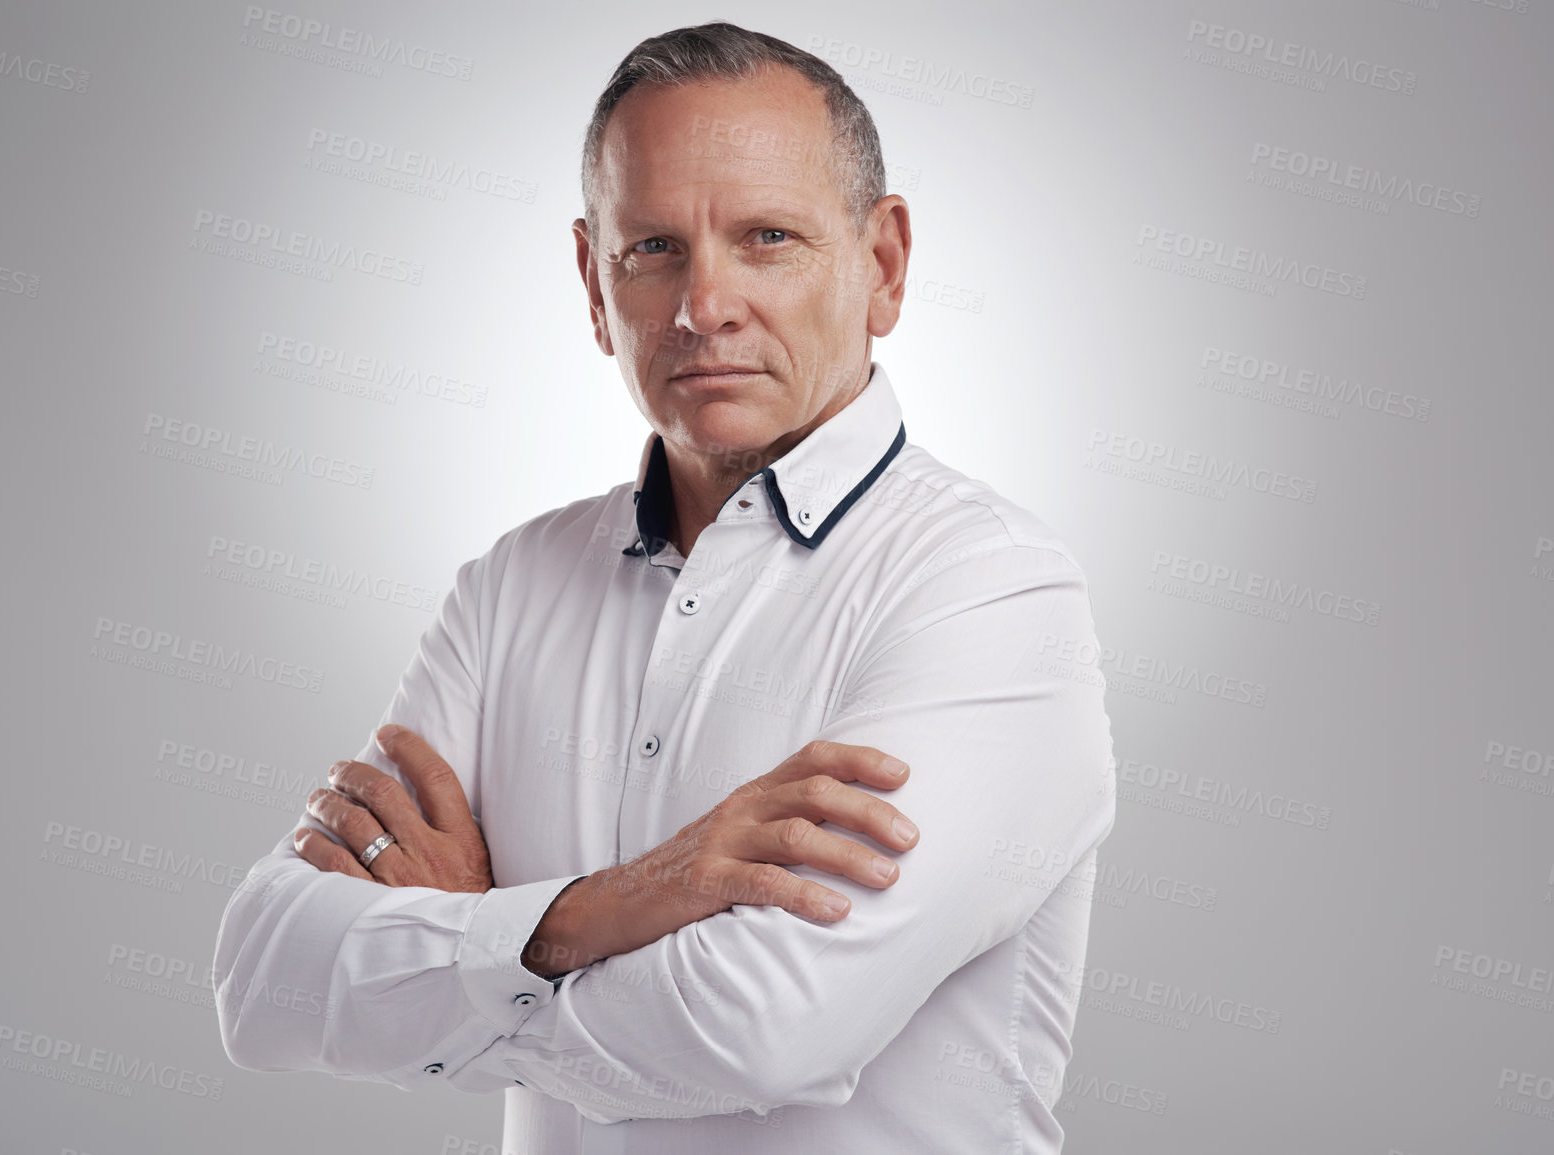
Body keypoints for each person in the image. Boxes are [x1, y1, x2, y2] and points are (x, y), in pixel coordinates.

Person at [213, 21, 1115, 1153]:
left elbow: (760, 1031)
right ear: (594, 285)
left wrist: (466, 953)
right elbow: (262, 981)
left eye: (768, 238)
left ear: (882, 265)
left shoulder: (988, 593)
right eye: (653, 250)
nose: (705, 307)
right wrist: (620, 903)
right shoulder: (511, 588)